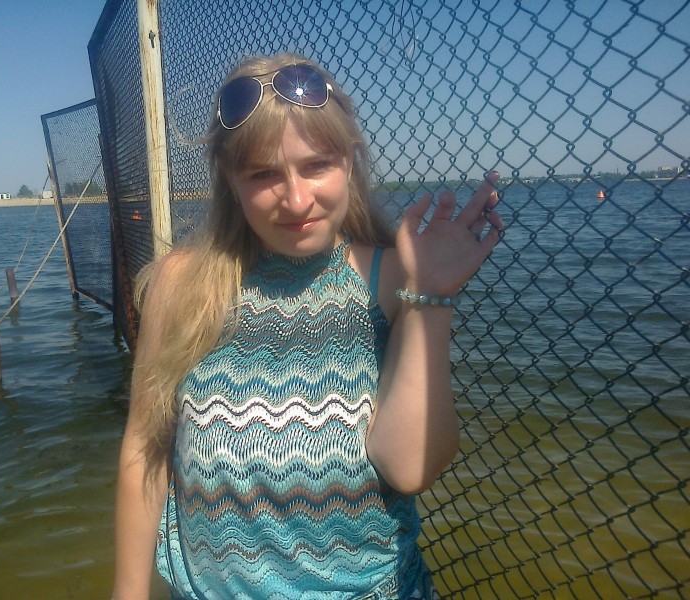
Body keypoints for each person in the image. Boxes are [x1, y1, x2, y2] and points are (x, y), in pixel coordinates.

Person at [113, 53, 503, 600]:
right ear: (230, 178)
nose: (297, 200)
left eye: (316, 165)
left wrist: (430, 296)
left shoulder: (392, 279)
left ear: (350, 161)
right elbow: (146, 447)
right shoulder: (182, 283)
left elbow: (409, 468)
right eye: (264, 174)